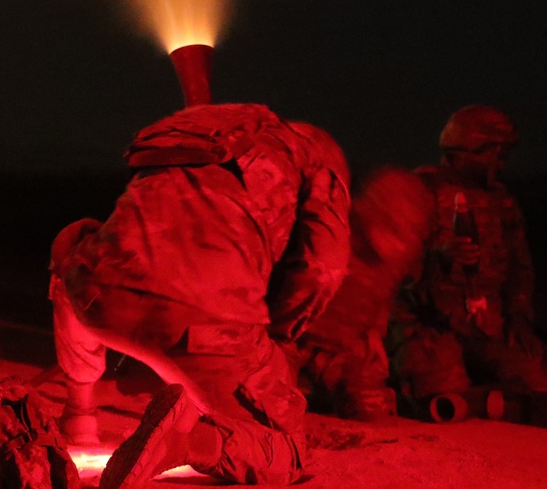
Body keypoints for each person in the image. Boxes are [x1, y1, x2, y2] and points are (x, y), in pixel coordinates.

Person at [48, 103, 351, 488]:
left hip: (99, 296)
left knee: (75, 245)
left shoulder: (206, 133)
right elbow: (323, 269)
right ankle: (188, 442)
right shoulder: (316, 160)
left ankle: (79, 416)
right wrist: (276, 335)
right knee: (288, 452)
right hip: (204, 323)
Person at [392, 105, 547, 412]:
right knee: (441, 395)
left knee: (538, 382)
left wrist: (519, 321)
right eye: (495, 155)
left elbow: (519, 270)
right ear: (470, 148)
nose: (500, 164)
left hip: (486, 326)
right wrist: (437, 258)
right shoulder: (419, 191)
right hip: (429, 327)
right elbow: (390, 270)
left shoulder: (501, 201)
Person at [287, 166, 434, 421]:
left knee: (370, 409)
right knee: (275, 408)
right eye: (395, 224)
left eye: (410, 230)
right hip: (292, 343)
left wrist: (374, 334)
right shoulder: (329, 234)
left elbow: (382, 297)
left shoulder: (395, 260)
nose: (403, 239)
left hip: (341, 350)